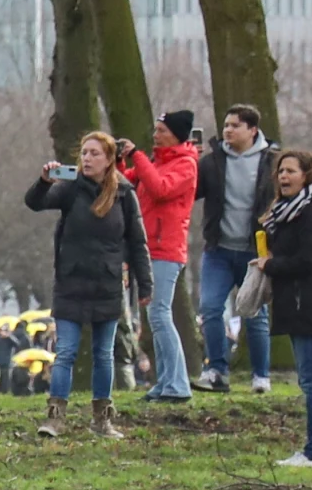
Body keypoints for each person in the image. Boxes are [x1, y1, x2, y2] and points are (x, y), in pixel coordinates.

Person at [24, 134, 145, 439]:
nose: (87, 159)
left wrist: (145, 285)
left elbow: (137, 242)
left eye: (94, 154)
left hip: (107, 284)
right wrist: (44, 181)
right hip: (71, 282)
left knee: (104, 354)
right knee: (65, 352)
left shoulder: (125, 194)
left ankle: (102, 419)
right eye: (84, 153)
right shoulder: (70, 189)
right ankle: (55, 417)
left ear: (109, 159)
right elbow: (35, 203)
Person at [255, 151, 312, 468]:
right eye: (281, 171)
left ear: (308, 176)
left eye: (291, 171)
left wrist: (271, 265)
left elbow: (308, 260)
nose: (283, 176)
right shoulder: (284, 212)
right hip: (295, 304)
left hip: (311, 304)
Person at [194, 106, 276, 393]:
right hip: (219, 249)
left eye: (235, 126)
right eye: (226, 125)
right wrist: (188, 163)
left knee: (254, 313)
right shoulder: (212, 161)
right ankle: (217, 370)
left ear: (253, 130)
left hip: (255, 251)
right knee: (211, 308)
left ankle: (261, 376)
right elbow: (190, 193)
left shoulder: (272, 161)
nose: (228, 130)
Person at [130, 112, 201, 403]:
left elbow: (160, 189)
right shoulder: (157, 161)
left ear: (176, 134)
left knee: (159, 313)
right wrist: (123, 159)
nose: (155, 135)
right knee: (154, 316)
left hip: (166, 249)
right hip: (149, 248)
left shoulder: (185, 164)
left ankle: (178, 384)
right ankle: (165, 382)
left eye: (161, 131)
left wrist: (137, 156)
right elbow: (129, 180)